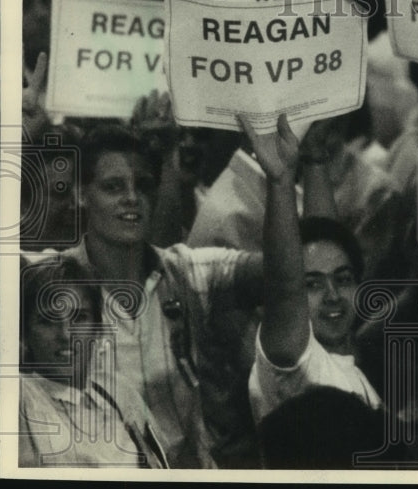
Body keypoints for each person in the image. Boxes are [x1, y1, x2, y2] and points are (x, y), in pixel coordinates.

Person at [47, 123, 262, 468]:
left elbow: (285, 275)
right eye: (113, 186)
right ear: (80, 194)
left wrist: (282, 179)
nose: (132, 197)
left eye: (144, 185)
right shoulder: (46, 280)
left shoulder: (185, 270)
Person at [238, 114, 382, 438]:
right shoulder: (290, 362)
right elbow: (286, 285)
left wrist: (315, 157)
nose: (332, 295)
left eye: (343, 279)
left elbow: (325, 240)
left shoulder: (344, 363)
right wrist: (280, 181)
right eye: (313, 285)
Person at [19, 257, 167, 468]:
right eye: (47, 320)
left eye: (79, 317)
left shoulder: (118, 392)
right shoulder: (19, 397)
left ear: (98, 328)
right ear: (24, 333)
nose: (65, 334)